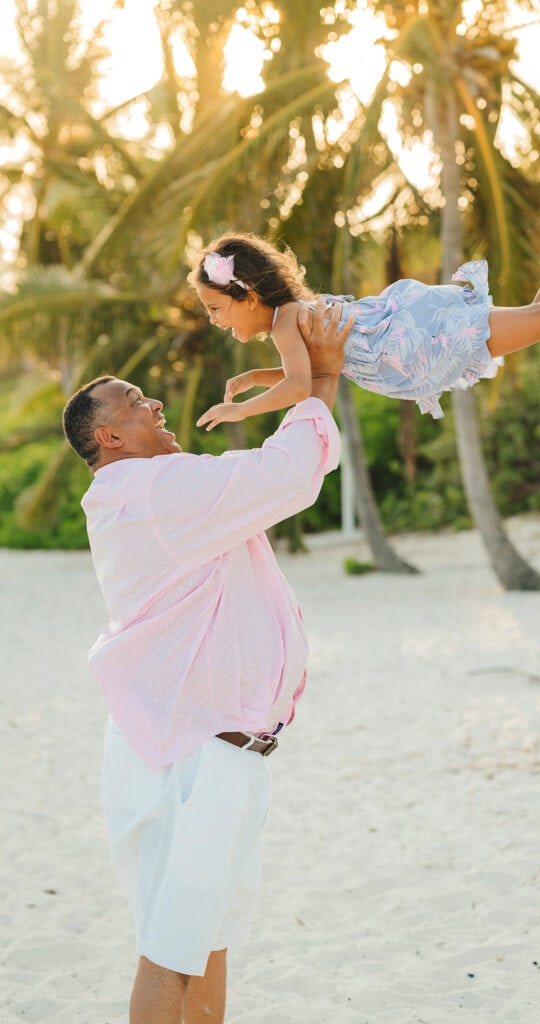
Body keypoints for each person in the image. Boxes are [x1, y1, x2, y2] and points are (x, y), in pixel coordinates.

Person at [62, 300, 354, 1024]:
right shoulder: (152, 494)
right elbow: (287, 475)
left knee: (208, 944)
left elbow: (274, 477)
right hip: (186, 760)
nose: (154, 401)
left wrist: (315, 380)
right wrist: (321, 379)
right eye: (136, 402)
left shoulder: (156, 489)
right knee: (170, 950)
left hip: (215, 752)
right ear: (111, 438)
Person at [190, 187, 540, 425]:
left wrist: (242, 411)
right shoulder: (294, 316)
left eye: (215, 309)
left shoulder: (285, 324)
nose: (214, 321)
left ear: (247, 296)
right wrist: (257, 377)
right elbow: (309, 369)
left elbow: (300, 384)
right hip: (417, 332)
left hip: (421, 342)